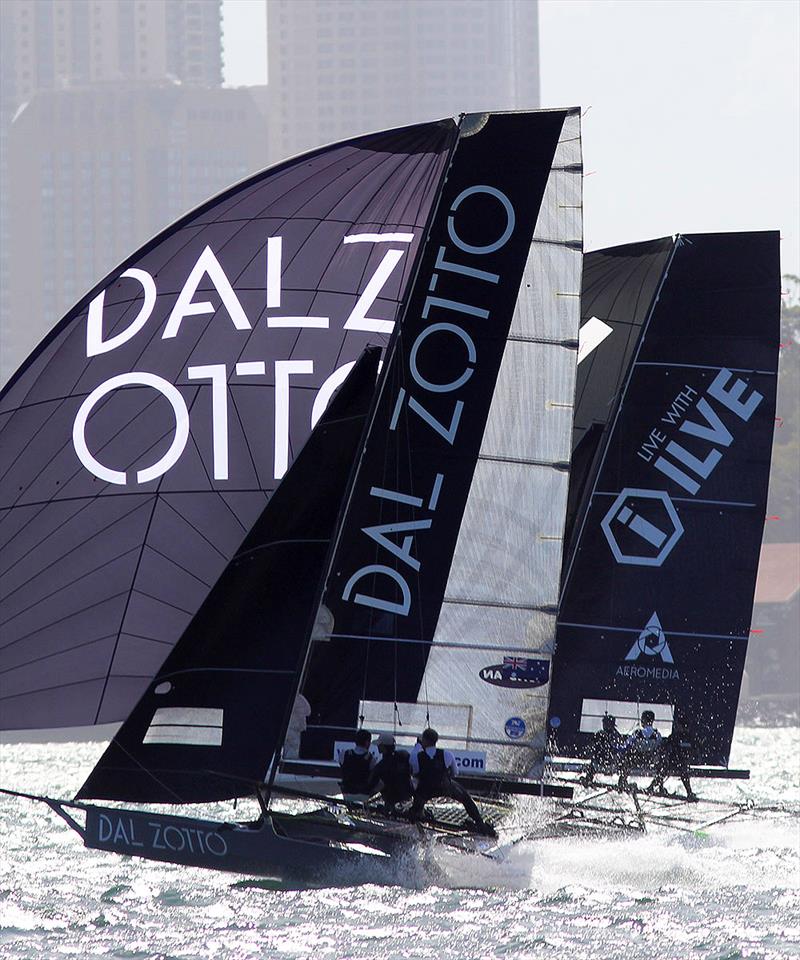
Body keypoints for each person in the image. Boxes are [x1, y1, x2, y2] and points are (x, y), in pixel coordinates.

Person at [409, 728, 496, 837]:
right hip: (444, 786)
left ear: (424, 741)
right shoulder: (447, 754)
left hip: (426, 789)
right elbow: (455, 772)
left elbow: (415, 772)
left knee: (417, 802)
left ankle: (417, 815)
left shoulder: (417, 756)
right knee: (465, 797)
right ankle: (479, 822)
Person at [647, 716, 698, 801]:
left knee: (664, 770)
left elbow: (665, 745)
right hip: (677, 762)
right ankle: (689, 793)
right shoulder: (688, 737)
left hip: (675, 762)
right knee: (675, 771)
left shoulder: (677, 736)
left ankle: (652, 787)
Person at [367, 733, 413, 813]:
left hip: (391, 801)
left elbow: (372, 784)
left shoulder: (381, 766)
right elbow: (412, 770)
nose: (378, 747)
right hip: (408, 797)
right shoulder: (404, 755)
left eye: (379, 745)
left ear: (383, 747)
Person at [618, 710, 662, 790]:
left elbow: (625, 746)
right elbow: (660, 748)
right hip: (650, 761)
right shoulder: (657, 735)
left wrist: (617, 748)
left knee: (626, 757)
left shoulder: (637, 733)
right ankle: (657, 786)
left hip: (637, 761)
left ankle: (622, 782)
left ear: (644, 720)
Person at [580, 714, 624, 786]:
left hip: (601, 762)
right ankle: (622, 781)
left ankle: (588, 779)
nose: (603, 725)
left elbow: (591, 747)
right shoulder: (617, 735)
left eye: (604, 723)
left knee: (592, 763)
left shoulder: (600, 734)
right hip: (612, 763)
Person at [339, 729, 375, 801]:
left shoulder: (344, 754)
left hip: (347, 793)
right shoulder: (371, 759)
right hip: (363, 795)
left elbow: (342, 768)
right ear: (367, 742)